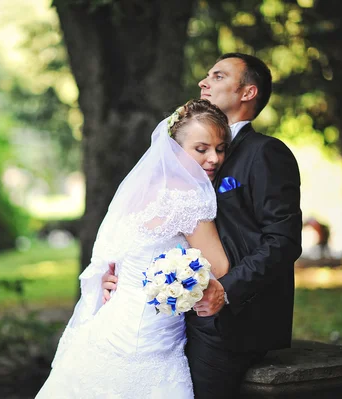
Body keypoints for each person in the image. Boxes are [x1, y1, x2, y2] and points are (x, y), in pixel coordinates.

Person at [103, 53, 303, 398]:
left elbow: (283, 241)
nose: (203, 82)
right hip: (172, 316)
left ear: (247, 93)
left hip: (231, 321)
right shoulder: (179, 160)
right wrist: (127, 277)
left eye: (219, 75)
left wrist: (226, 291)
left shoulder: (266, 153)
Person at [36, 99, 232, 398]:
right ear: (175, 149)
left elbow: (116, 256)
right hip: (150, 337)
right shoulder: (190, 197)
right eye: (201, 149)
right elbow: (218, 267)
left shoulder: (142, 189)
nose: (214, 158)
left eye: (220, 149)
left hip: (108, 327)